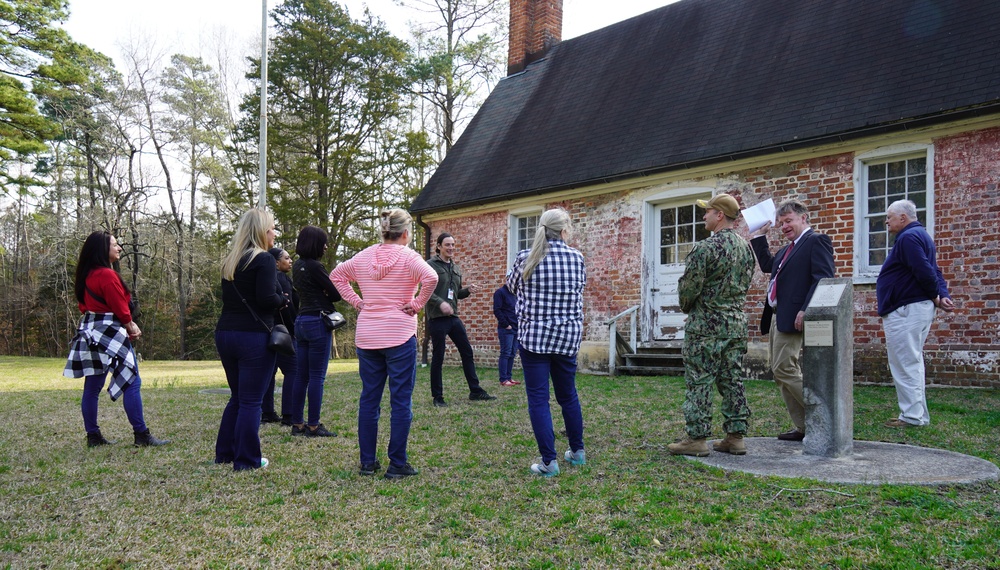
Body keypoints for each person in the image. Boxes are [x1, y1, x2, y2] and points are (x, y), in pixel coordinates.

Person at [330, 208, 439, 479]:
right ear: (405, 233)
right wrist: (416, 304)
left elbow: (337, 276)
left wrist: (357, 302)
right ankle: (397, 464)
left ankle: (368, 463)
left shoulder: (364, 256)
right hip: (399, 335)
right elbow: (432, 278)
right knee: (400, 401)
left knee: (369, 399)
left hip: (368, 335)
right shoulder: (409, 257)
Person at [667, 195, 756, 457]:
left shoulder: (705, 248)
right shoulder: (746, 248)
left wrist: (689, 307)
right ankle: (735, 436)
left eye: (707, 212)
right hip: (735, 325)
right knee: (733, 379)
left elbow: (688, 290)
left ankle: (696, 438)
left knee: (700, 380)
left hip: (706, 326)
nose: (703, 216)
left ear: (719, 215)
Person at [64, 231, 170, 448]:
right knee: (132, 379)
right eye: (114, 244)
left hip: (89, 331)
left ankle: (93, 436)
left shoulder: (86, 274)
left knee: (92, 387)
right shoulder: (107, 275)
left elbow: (83, 306)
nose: (119, 247)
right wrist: (131, 325)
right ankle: (141, 434)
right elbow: (120, 308)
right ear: (103, 249)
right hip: (110, 330)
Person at [506, 208, 587, 477]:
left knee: (539, 399)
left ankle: (549, 463)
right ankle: (577, 452)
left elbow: (511, 286)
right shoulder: (577, 258)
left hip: (534, 338)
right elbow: (579, 289)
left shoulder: (525, 258)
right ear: (564, 231)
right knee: (568, 395)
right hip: (567, 336)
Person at [750, 199, 835, 441]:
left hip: (795, 316)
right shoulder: (787, 250)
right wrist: (759, 236)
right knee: (779, 373)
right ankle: (804, 427)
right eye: (781, 223)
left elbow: (823, 278)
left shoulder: (815, 241)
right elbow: (767, 265)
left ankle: (825, 415)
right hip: (777, 316)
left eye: (788, 221)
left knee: (785, 368)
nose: (784, 226)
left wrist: (806, 309)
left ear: (803, 218)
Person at [215, 208, 285, 471]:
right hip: (253, 336)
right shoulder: (264, 260)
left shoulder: (230, 261)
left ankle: (225, 453)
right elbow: (267, 300)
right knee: (251, 401)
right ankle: (247, 460)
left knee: (237, 397)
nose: (275, 233)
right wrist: (283, 300)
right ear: (261, 231)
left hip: (225, 333)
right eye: (272, 228)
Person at [877, 199, 955, 427]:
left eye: (889, 217)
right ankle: (918, 415)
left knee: (904, 363)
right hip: (914, 308)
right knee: (913, 361)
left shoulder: (909, 237)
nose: (886, 221)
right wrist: (942, 293)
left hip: (906, 310)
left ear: (903, 218)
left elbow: (924, 270)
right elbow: (934, 269)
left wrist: (936, 295)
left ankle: (911, 417)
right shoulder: (921, 236)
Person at [426, 232, 496, 406]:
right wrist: (440, 303)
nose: (451, 248)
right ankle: (438, 397)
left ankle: (475, 390)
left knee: (467, 351)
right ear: (439, 246)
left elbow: (456, 294)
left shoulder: (456, 268)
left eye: (453, 245)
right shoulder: (430, 265)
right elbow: (425, 291)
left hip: (453, 318)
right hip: (437, 318)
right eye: (447, 245)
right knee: (438, 357)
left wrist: (468, 290)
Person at [290, 225, 343, 437]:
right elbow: (335, 294)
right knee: (317, 377)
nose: (326, 246)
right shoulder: (315, 266)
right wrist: (325, 292)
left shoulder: (297, 265)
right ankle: (313, 425)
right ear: (315, 244)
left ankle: (297, 424)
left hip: (301, 321)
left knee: (300, 376)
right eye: (323, 242)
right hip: (317, 322)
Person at [262, 247, 298, 425]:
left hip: (266, 330)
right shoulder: (282, 279)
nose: (290, 261)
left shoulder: (265, 279)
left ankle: (267, 412)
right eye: (286, 258)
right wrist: (293, 331)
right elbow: (288, 309)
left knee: (270, 372)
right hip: (283, 332)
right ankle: (289, 414)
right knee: (292, 371)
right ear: (276, 262)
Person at [493, 279, 521, 387]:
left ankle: (509, 377)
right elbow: (497, 310)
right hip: (506, 329)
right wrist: (506, 324)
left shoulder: (515, 294)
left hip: (515, 328)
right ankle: (503, 379)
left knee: (512, 353)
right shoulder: (500, 293)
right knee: (505, 353)